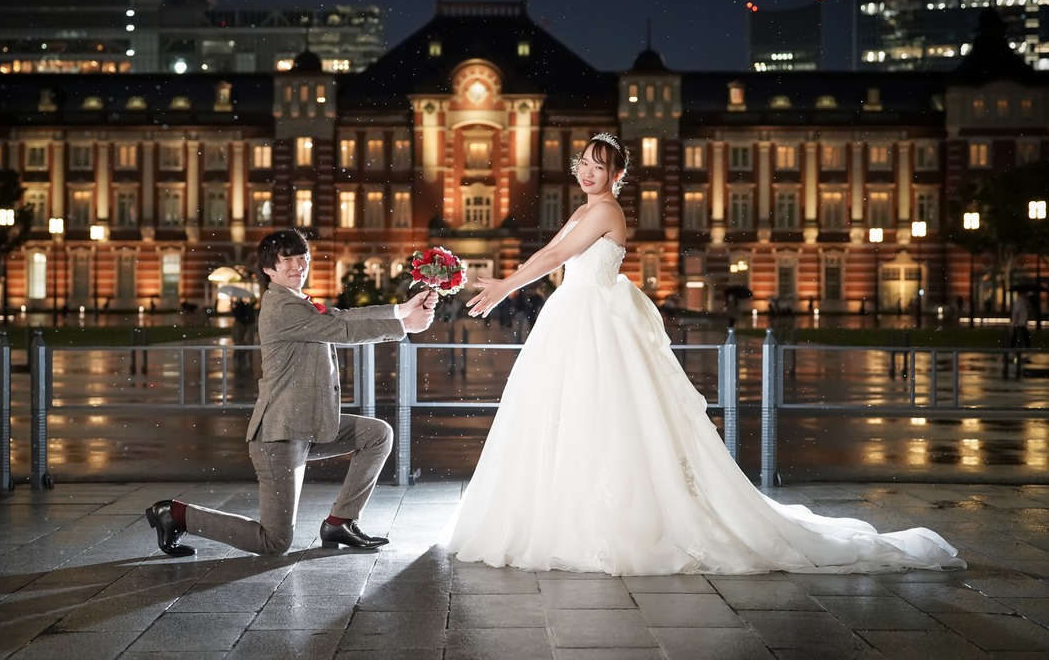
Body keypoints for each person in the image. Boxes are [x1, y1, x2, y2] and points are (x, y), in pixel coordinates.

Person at [447, 132, 966, 576]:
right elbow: (549, 253)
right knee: (569, 415)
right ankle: (563, 511)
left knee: (603, 415)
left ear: (616, 176)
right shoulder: (587, 208)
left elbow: (558, 255)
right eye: (583, 162)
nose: (587, 171)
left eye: (599, 166)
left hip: (591, 320)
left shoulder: (606, 210)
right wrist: (500, 280)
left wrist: (505, 287)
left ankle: (606, 518)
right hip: (574, 316)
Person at [146, 228, 437, 557]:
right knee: (274, 542)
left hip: (309, 424)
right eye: (288, 259)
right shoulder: (282, 308)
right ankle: (174, 514)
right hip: (279, 435)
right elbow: (340, 330)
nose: (299, 265)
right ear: (269, 268)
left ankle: (340, 522)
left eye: (303, 258)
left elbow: (340, 316)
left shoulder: (298, 301)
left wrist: (400, 309)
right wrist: (404, 327)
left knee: (377, 435)